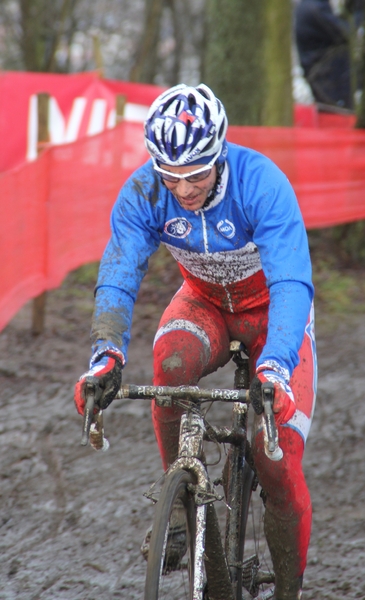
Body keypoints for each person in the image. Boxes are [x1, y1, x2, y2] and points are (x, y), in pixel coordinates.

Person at [74, 83, 317, 600]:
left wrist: (275, 365)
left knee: (277, 460)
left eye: (196, 174)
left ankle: (290, 590)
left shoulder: (261, 184)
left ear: (220, 153)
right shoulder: (145, 191)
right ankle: (182, 509)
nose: (183, 189)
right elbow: (119, 274)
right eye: (171, 174)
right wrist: (105, 353)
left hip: (271, 310)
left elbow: (292, 282)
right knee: (171, 361)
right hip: (205, 302)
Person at [295, 0, 353, 109]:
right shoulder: (315, 8)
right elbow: (346, 33)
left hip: (323, 76)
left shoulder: (312, 6)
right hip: (326, 79)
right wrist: (359, 13)